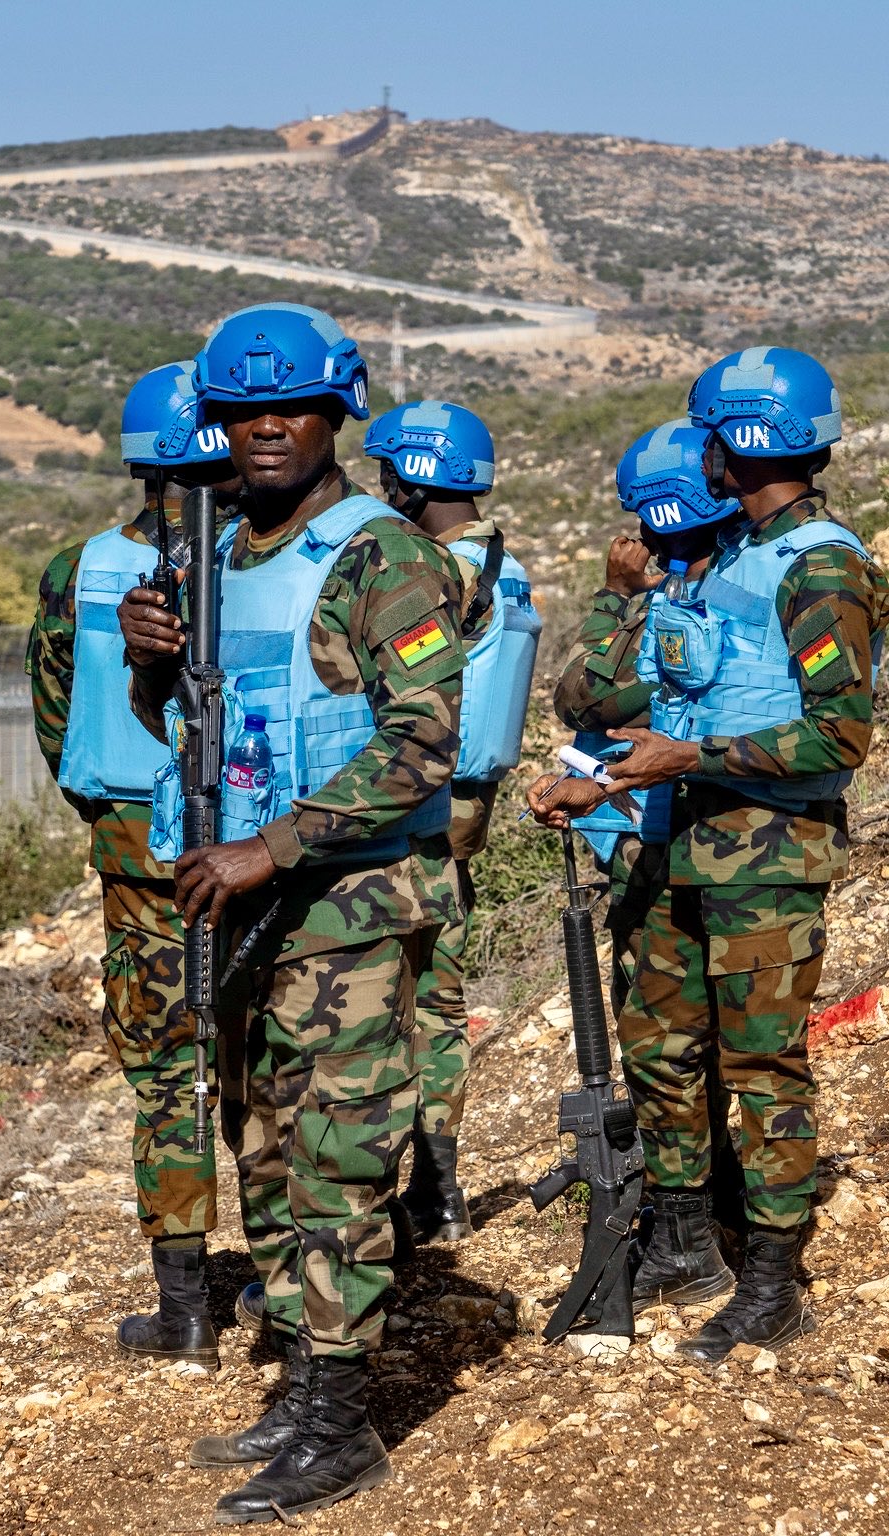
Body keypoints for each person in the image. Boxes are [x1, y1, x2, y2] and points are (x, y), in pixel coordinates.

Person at [117, 303, 466, 1523]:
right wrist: (148, 659)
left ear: (336, 415)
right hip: (241, 903)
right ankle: (299, 1384)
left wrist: (272, 848)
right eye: (241, 410)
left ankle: (339, 1424)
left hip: (344, 910)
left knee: (337, 1161)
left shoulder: (383, 557)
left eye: (292, 407)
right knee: (262, 1150)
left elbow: (422, 745)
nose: (265, 427)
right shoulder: (212, 558)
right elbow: (187, 724)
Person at [529, 350, 889, 1361]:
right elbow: (667, 702)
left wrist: (683, 758)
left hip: (767, 859)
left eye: (707, 437)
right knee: (666, 1052)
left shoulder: (821, 566)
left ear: (745, 440)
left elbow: (838, 737)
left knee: (761, 1067)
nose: (698, 457)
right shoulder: (734, 555)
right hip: (684, 843)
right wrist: (603, 783)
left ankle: (773, 1285)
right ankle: (687, 1246)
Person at [25, 360, 239, 1365]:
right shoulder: (268, 562)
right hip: (260, 844)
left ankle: (186, 1310)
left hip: (135, 847)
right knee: (264, 1058)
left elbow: (53, 712)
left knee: (168, 1067)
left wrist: (107, 813)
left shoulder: (77, 571)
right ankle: (293, 1286)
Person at [545, 417, 750, 1302]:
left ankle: (690, 1238)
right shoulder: (748, 580)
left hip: (667, 842)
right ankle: (719, 1214)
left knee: (666, 1042)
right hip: (728, 840)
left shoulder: (678, 601)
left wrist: (615, 596)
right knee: (722, 1043)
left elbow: (583, 693)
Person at [362, 399, 540, 1245]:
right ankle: (438, 1189)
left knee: (400, 1002)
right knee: (438, 996)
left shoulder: (436, 570)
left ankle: (409, 1194)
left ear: (415, 475)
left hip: (417, 805)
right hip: (463, 805)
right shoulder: (502, 562)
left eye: (387, 472)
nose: (380, 487)